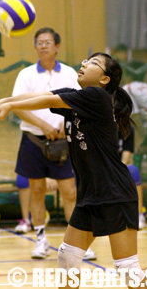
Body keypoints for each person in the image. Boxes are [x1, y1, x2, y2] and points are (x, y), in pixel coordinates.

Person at [0, 52, 147, 288]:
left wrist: (9, 105)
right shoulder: (77, 99)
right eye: (86, 60)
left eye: (93, 63)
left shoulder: (97, 97)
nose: (84, 63)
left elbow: (47, 101)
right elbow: (43, 95)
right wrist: (5, 101)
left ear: (104, 79)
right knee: (67, 258)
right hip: (90, 196)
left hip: (115, 194)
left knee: (127, 270)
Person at [11, 27, 96, 260]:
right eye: (39, 42)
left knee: (70, 192)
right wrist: (43, 125)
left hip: (63, 141)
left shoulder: (70, 73)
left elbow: (80, 102)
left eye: (48, 42)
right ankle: (40, 240)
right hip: (33, 141)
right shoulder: (26, 74)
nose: (43, 46)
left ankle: (78, 244)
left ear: (57, 46)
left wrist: (63, 122)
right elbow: (17, 106)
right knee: (36, 191)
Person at [118, 127, 145, 229]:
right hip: (102, 166)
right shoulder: (100, 126)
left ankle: (138, 215)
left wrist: (117, 169)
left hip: (119, 166)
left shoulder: (127, 129)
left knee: (133, 171)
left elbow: (126, 157)